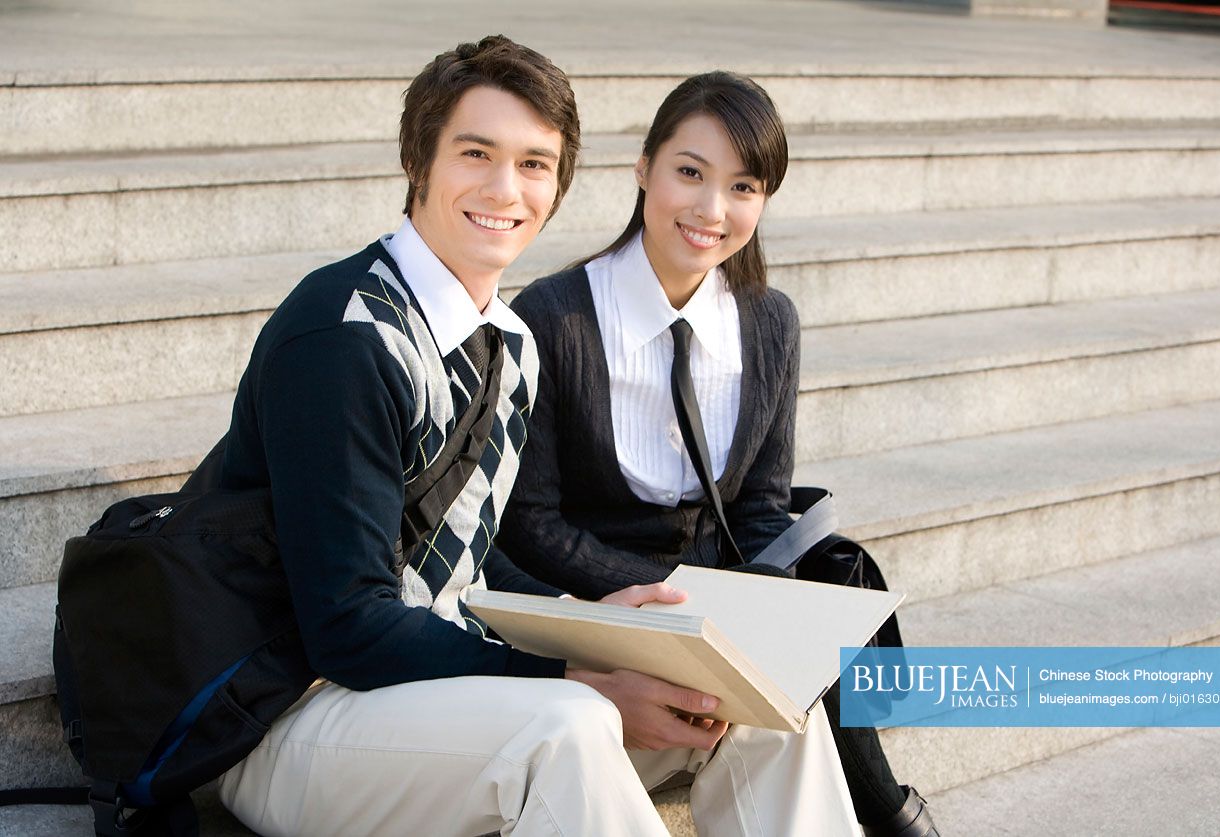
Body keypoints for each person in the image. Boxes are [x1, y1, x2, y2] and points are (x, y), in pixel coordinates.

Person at [209, 38, 860, 836]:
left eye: (534, 164)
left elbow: (473, 559)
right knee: (571, 722)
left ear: (558, 186)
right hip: (293, 718)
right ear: (419, 160)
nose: (503, 188)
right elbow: (347, 627)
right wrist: (572, 670)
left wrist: (600, 619)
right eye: (475, 153)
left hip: (437, 696)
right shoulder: (344, 338)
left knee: (758, 707)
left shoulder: (509, 340)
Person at [499, 71, 939, 837]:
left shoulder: (767, 320)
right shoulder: (554, 315)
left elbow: (762, 503)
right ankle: (895, 816)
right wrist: (677, 599)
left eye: (742, 185)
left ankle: (889, 811)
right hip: (599, 603)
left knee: (808, 626)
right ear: (643, 168)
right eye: (689, 173)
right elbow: (530, 522)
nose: (711, 210)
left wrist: (762, 599)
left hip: (720, 593)